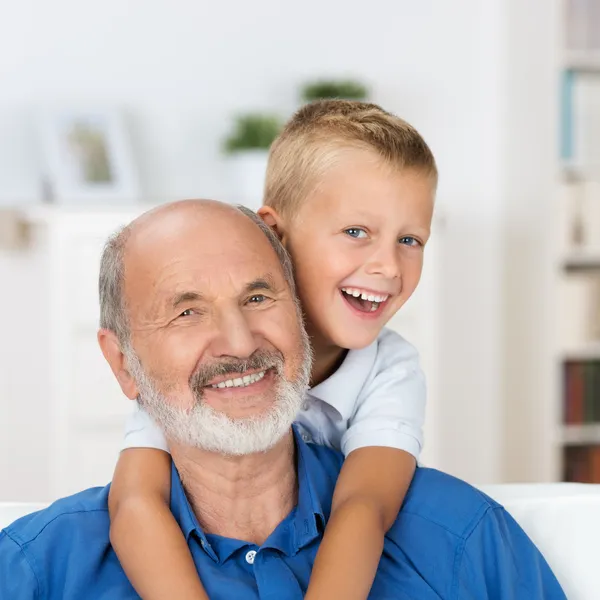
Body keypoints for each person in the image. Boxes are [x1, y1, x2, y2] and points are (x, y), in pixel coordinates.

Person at [0, 200, 566, 599]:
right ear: (123, 363)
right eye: (188, 312)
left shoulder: (462, 539)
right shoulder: (37, 571)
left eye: (258, 296)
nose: (241, 343)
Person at [110, 100, 436, 600]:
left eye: (410, 239)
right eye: (356, 232)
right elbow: (135, 503)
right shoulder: (209, 365)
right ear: (275, 234)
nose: (389, 267)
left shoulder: (390, 370)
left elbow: (364, 509)